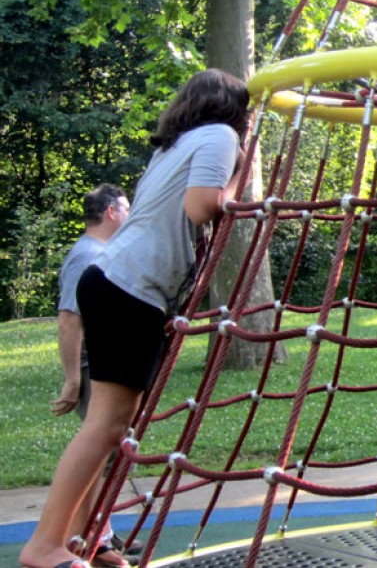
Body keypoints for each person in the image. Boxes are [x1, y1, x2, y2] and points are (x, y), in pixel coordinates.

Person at [20, 69, 250, 568]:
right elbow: (202, 208)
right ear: (235, 109)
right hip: (130, 287)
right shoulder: (221, 136)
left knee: (113, 424)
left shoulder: (175, 145)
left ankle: (82, 538)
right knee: (106, 425)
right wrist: (240, 173)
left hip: (116, 281)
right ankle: (45, 546)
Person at [52, 184, 135, 567]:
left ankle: (98, 532)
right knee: (101, 449)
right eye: (126, 207)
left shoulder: (105, 252)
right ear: (111, 212)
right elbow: (70, 319)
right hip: (92, 365)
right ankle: (90, 541)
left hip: (108, 360)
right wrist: (72, 379)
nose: (131, 214)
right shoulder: (86, 256)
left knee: (114, 449)